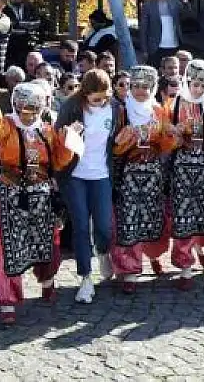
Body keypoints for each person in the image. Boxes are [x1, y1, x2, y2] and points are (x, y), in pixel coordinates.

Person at [0, 81, 72, 325]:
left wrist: (69, 142)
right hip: (12, 193)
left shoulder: (47, 131)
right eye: (23, 109)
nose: (28, 115)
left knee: (46, 243)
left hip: (41, 195)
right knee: (7, 247)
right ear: (15, 106)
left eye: (33, 110)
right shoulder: (6, 126)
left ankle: (47, 280)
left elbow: (59, 162)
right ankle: (7, 300)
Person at [109, 65, 178, 293]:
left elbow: (166, 144)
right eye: (135, 86)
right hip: (128, 173)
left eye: (145, 87)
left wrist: (170, 137)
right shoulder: (121, 111)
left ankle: (153, 255)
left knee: (152, 218)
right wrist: (127, 139)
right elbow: (114, 149)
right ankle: (129, 270)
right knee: (128, 221)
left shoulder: (158, 111)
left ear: (153, 88)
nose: (140, 91)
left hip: (153, 173)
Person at [54, 69, 118, 303]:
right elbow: (57, 140)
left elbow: (115, 139)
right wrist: (68, 134)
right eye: (95, 98)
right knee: (81, 226)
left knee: (103, 225)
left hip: (101, 174)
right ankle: (85, 278)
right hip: (75, 175)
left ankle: (102, 251)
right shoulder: (71, 107)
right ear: (85, 93)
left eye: (104, 97)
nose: (100, 102)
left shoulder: (114, 108)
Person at [164, 60, 204, 289]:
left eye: (203, 86)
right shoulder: (173, 104)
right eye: (195, 84)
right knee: (183, 215)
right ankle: (185, 266)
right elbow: (163, 137)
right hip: (181, 167)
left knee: (202, 213)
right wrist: (174, 134)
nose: (198, 89)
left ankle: (197, 247)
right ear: (187, 81)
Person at [139, 0, 191, 67]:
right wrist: (144, 50)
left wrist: (184, 0)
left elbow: (188, 15)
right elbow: (143, 29)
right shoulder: (148, 6)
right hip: (156, 47)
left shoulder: (175, 3)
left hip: (174, 46)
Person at [4, 0, 45, 70]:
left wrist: (18, 24)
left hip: (29, 50)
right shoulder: (3, 10)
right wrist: (26, 27)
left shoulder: (30, 7)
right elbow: (8, 27)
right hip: (11, 53)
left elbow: (38, 23)